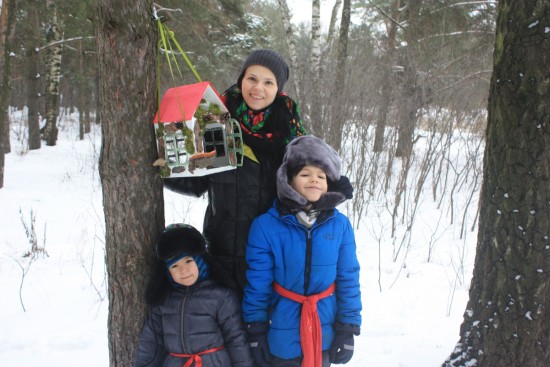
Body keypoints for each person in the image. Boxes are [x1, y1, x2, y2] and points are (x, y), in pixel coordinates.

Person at [164, 49, 309, 296]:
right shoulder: (216, 122)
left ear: (278, 88)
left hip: (268, 258)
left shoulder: (289, 134)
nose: (258, 88)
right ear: (241, 78)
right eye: (252, 78)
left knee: (261, 328)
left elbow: (308, 188)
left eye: (268, 82)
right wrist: (167, 167)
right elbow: (198, 183)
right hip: (220, 253)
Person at [242, 135, 362, 367]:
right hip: (281, 330)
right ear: (289, 179)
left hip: (324, 329)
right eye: (305, 174)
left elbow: (348, 277)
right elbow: (258, 282)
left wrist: (347, 327)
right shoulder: (265, 226)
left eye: (321, 176)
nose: (314, 181)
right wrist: (255, 328)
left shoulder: (340, 226)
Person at [133, 223, 253, 367]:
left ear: (200, 260)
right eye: (174, 266)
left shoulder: (221, 297)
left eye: (188, 261)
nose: (183, 270)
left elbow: (236, 339)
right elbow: (152, 342)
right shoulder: (164, 300)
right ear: (167, 271)